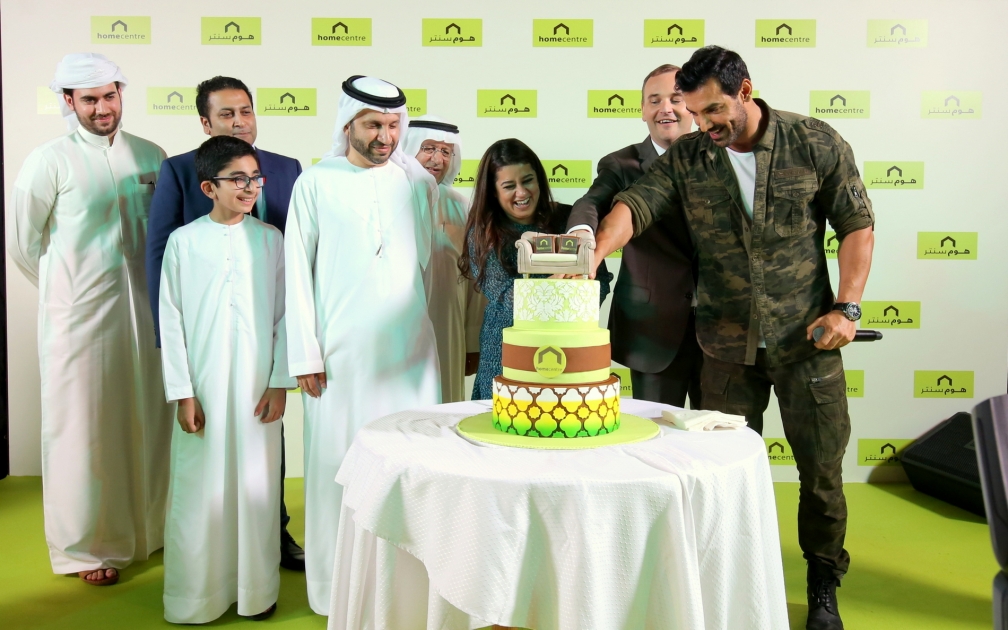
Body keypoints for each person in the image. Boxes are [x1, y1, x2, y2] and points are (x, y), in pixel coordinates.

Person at [591, 46, 874, 630]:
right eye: (695, 113)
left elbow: (856, 225)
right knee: (720, 473)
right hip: (724, 349)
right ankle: (725, 585)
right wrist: (594, 252)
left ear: (745, 90)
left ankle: (823, 582)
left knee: (821, 475)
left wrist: (847, 307)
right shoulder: (690, 155)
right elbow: (635, 206)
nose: (704, 124)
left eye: (713, 110)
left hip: (807, 343)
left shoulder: (813, 141)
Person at [7, 53, 174, 586]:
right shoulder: (48, 160)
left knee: (148, 421)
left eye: (109, 96)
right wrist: (69, 292)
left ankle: (152, 530)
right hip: (77, 319)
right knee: (83, 429)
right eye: (89, 100)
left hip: (145, 314)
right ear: (68, 101)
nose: (103, 108)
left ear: (121, 93)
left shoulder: (151, 154)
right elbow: (23, 245)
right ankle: (85, 547)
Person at [284, 75, 441, 614]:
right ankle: (335, 592)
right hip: (339, 358)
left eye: (394, 125)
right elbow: (296, 273)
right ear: (347, 123)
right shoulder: (315, 182)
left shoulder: (416, 183)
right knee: (338, 468)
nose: (385, 137)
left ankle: (407, 590)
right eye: (374, 124)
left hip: (409, 356)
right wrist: (305, 353)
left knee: (410, 470)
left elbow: (423, 265)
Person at [145, 76, 305, 571]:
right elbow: (161, 258)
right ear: (205, 122)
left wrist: (285, 370)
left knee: (264, 451)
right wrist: (178, 371)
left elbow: (294, 272)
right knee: (204, 457)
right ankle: (206, 560)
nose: (239, 122)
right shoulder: (178, 171)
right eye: (226, 114)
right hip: (205, 347)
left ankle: (270, 537)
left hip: (261, 347)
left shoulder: (286, 169)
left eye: (246, 111)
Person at [158, 136, 292, 623]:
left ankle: (257, 591)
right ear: (208, 187)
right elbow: (171, 320)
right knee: (201, 490)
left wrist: (279, 381)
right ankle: (197, 597)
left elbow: (284, 316)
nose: (250, 187)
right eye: (238, 179)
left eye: (255, 178)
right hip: (204, 387)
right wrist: (183, 393)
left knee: (257, 487)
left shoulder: (271, 240)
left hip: (258, 388)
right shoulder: (183, 242)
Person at [567, 63, 702, 408]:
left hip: (721, 332)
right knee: (656, 432)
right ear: (643, 110)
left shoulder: (721, 159)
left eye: (676, 99)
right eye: (655, 100)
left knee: (719, 432)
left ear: (694, 105)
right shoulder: (621, 164)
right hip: (652, 331)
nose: (665, 108)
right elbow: (590, 203)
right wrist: (582, 236)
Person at [459, 139, 611, 401]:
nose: (521, 192)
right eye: (509, 186)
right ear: (493, 192)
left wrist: (581, 292)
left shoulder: (571, 221)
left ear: (539, 179)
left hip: (569, 343)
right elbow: (506, 296)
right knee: (508, 416)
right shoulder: (483, 233)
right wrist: (562, 287)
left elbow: (601, 281)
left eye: (528, 180)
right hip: (506, 348)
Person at [403, 115, 486, 402]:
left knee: (443, 406)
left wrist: (473, 343)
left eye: (446, 151)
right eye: (428, 148)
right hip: (395, 331)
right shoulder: (385, 200)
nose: (437, 159)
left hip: (447, 330)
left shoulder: (462, 207)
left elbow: (476, 280)